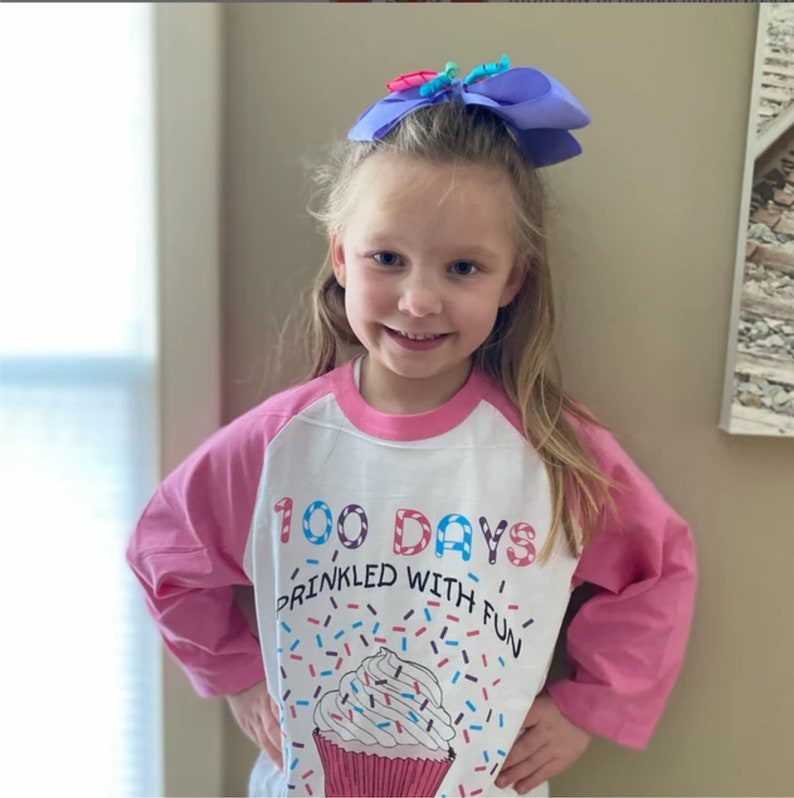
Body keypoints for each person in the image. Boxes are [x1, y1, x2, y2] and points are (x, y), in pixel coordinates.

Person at [126, 55, 697, 798]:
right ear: (340, 257)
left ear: (512, 279)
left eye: (463, 268)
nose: (419, 300)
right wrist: (235, 674)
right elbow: (165, 550)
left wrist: (589, 706)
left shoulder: (553, 452)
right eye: (387, 259)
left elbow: (659, 568)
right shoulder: (281, 444)